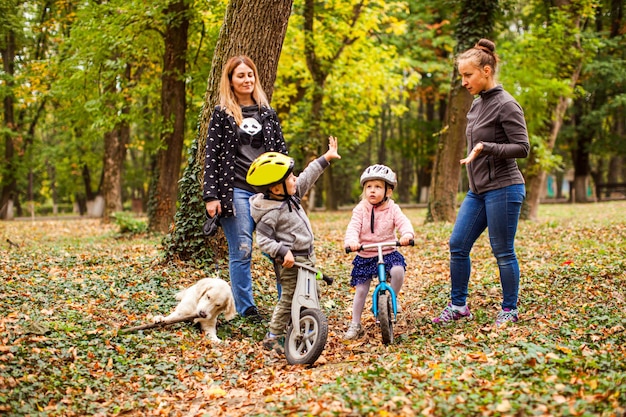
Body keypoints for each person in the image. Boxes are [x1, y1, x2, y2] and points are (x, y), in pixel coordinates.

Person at [432, 39, 530, 327]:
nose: (464, 81)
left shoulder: (507, 104)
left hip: (505, 187)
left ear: (486, 71)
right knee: (458, 244)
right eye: (461, 76)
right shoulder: (476, 106)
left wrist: (487, 147)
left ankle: (509, 309)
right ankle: (459, 305)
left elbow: (522, 148)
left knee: (502, 250)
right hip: (478, 191)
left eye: (468, 75)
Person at [203, 55, 288, 321]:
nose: (246, 80)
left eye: (250, 75)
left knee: (279, 248)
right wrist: (211, 196)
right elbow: (211, 155)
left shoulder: (267, 112)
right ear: (230, 80)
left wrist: (288, 184)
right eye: (240, 75)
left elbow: (281, 151)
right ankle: (246, 308)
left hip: (267, 193)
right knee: (241, 249)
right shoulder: (222, 114)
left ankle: (286, 302)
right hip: (236, 190)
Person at [247, 136, 341, 352]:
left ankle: (302, 325)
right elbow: (263, 240)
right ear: (277, 188)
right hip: (290, 262)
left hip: (307, 256)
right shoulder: (269, 212)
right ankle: (273, 336)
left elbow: (308, 175)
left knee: (313, 292)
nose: (295, 179)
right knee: (289, 297)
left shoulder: (292, 195)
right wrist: (282, 251)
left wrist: (326, 157)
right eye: (290, 178)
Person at [343, 164, 415, 340]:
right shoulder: (360, 209)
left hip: (388, 250)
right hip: (365, 253)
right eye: (369, 187)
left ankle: (390, 299)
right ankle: (355, 324)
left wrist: (407, 234)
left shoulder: (393, 208)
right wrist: (352, 241)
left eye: (377, 187)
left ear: (388, 191)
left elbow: (403, 222)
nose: (372, 191)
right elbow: (353, 227)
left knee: (398, 272)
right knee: (361, 290)